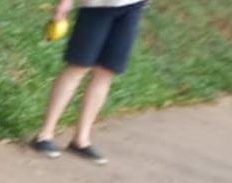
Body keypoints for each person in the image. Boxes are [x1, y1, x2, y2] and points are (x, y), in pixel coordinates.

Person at [31, 0, 146, 162]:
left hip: (132, 6)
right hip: (96, 7)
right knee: (78, 67)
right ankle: (44, 135)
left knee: (105, 72)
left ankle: (81, 140)